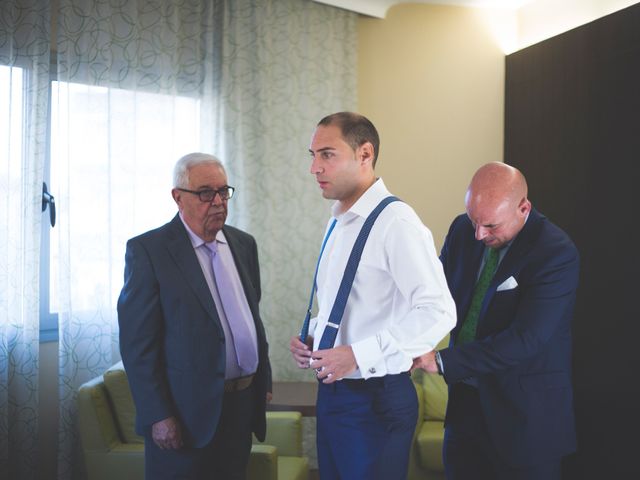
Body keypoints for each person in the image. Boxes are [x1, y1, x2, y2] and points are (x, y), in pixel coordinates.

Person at [289, 112, 455, 480]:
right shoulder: (336, 221)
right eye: (312, 155)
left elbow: (438, 311)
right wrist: (315, 334)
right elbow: (351, 304)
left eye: (327, 154)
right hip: (335, 396)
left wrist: (357, 355)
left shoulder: (397, 222)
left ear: (365, 154)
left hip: (375, 399)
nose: (315, 167)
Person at [413, 162, 579, 480]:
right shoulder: (463, 231)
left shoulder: (556, 253)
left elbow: (526, 339)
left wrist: (442, 361)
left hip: (526, 419)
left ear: (524, 208)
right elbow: (432, 296)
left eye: (490, 226)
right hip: (465, 411)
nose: (479, 234)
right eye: (474, 221)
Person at [117, 152, 272, 480]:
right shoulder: (150, 251)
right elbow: (138, 347)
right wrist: (158, 415)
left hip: (241, 406)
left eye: (223, 191)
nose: (217, 201)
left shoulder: (244, 244)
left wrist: (264, 379)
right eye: (205, 193)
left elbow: (251, 319)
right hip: (185, 414)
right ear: (178, 197)